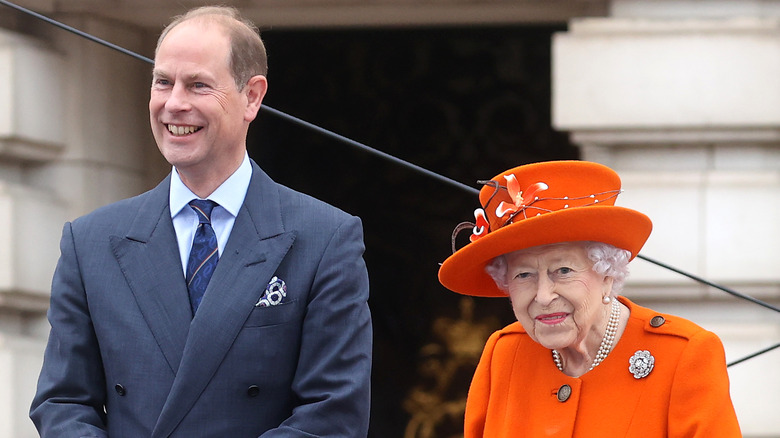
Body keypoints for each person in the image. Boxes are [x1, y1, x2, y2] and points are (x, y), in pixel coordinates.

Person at [30, 6, 372, 437]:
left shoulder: (327, 239)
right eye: (163, 82)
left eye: (197, 85)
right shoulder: (89, 242)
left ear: (252, 97)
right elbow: (62, 402)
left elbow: (333, 413)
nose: (174, 104)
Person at [438, 160, 740, 437]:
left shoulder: (684, 355)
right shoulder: (503, 353)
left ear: (607, 275)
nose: (543, 296)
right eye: (524, 275)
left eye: (563, 270)